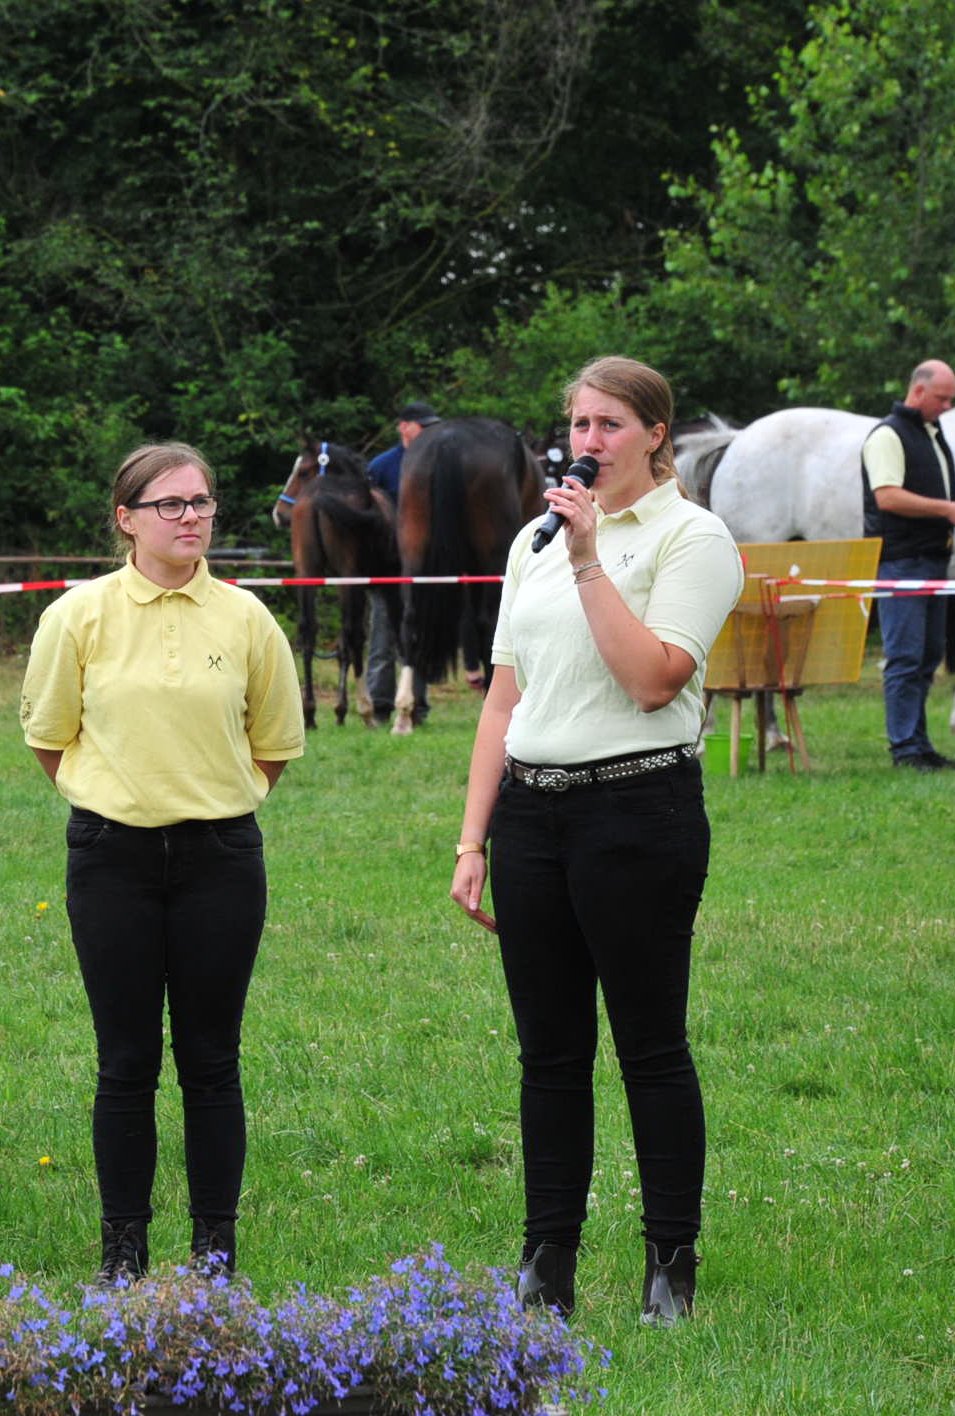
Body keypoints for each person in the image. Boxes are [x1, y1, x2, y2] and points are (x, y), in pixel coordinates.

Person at [449, 356, 742, 1326]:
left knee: (649, 1047)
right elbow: (504, 694)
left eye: (609, 424)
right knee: (548, 1053)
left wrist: (585, 559)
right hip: (532, 815)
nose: (586, 441)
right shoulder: (533, 542)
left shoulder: (692, 538)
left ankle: (669, 1264)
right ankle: (546, 1263)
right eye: (576, 422)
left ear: (655, 434)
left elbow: (652, 678)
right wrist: (472, 838)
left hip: (636, 811)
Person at [20, 442, 305, 1282]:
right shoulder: (79, 616)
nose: (192, 519)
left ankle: (214, 1253)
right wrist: (120, 800)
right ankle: (123, 1253)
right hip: (112, 858)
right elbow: (50, 738)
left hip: (221, 858)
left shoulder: (248, 620)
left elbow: (274, 746)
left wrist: (212, 800)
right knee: (126, 1061)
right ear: (126, 519)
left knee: (213, 1060)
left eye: (203, 504)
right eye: (171, 506)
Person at [859, 359, 955, 771]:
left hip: (932, 560)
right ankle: (904, 748)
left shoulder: (929, 434)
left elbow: (920, 492)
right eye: (942, 398)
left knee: (927, 655)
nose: (947, 406)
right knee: (905, 658)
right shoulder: (887, 435)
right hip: (902, 561)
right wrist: (949, 509)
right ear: (917, 392)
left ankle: (919, 745)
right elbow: (888, 496)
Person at [365, 401, 440, 724]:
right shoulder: (381, 466)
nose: (427, 432)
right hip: (387, 569)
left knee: (420, 638)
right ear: (404, 427)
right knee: (382, 637)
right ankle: (381, 705)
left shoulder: (439, 464)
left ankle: (417, 705)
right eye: (422, 425)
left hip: (423, 568)